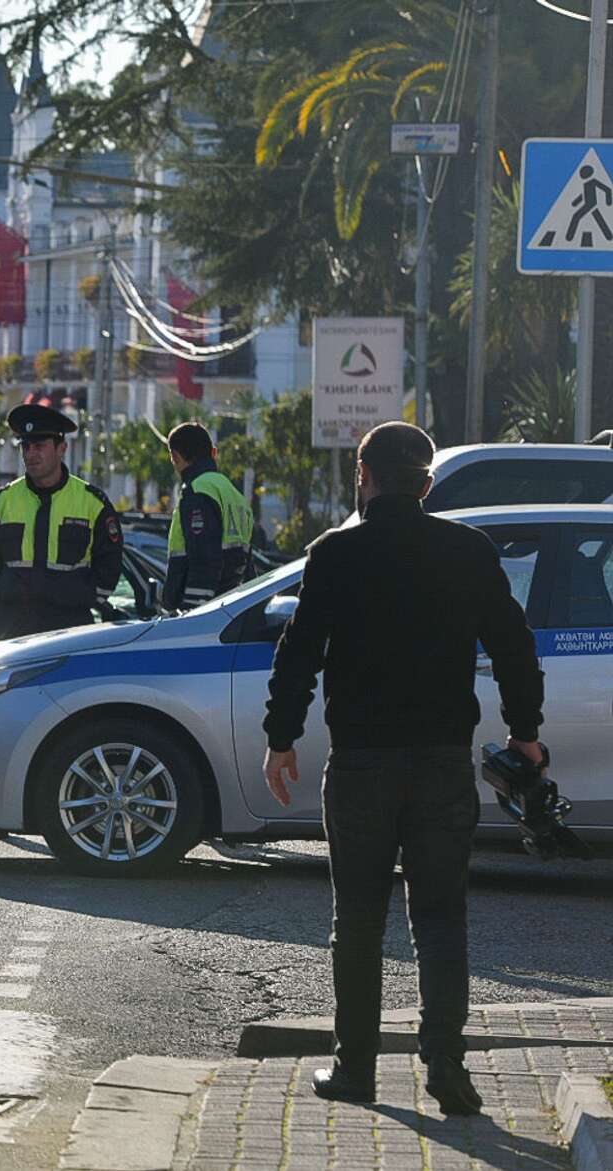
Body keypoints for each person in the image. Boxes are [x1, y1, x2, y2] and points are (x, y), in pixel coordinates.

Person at [262, 422, 544, 1117]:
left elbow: (299, 651)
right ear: (426, 483)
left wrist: (282, 736)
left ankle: (354, 1067)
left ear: (364, 475)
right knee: (442, 916)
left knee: (357, 917)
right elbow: (513, 644)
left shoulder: (334, 554)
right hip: (444, 762)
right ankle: (445, 1065)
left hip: (360, 763)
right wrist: (526, 732)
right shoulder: (468, 550)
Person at [0, 402, 125, 640]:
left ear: (62, 448)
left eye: (39, 446)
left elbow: (110, 563)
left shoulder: (92, 502)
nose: (30, 454)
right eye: (25, 446)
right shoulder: (2, 501)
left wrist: (84, 598)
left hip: (67, 626)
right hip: (9, 626)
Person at [163, 421, 255, 610]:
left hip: (204, 613)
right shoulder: (236, 496)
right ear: (213, 453)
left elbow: (203, 559)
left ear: (175, 456)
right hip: (231, 608)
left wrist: (191, 613)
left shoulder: (197, 490)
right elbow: (247, 565)